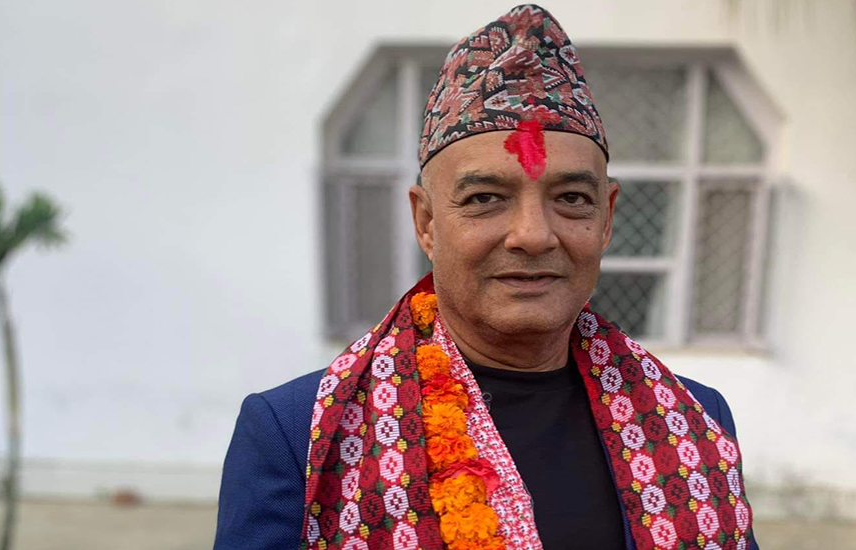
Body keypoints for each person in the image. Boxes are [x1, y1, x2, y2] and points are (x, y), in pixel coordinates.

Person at [214, 5, 758, 550]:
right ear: (427, 222)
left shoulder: (693, 420)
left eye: (572, 198)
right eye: (484, 199)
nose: (533, 235)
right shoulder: (300, 433)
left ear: (607, 218)